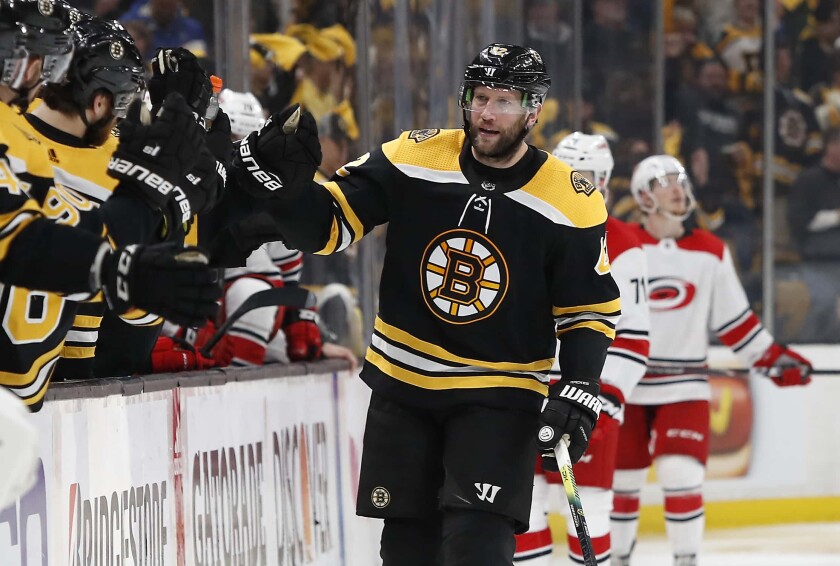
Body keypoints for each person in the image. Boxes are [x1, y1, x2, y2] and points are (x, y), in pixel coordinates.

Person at [230, 43, 621, 565]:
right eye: (479, 97)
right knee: (407, 551)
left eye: (503, 101)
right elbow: (329, 227)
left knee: (477, 549)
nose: (486, 113)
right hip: (404, 387)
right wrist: (288, 191)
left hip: (499, 395)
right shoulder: (414, 156)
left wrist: (581, 386)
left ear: (533, 109)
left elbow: (587, 309)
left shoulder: (569, 198)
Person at [0, 1, 220, 409]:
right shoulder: (24, 143)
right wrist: (160, 200)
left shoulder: (20, 134)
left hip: (39, 395)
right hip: (46, 387)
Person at [610, 155, 812, 566]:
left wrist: (774, 359)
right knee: (622, 480)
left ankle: (687, 560)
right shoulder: (621, 243)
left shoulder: (710, 250)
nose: (677, 189)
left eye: (680, 180)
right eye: (665, 182)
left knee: (680, 474)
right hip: (624, 383)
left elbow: (736, 324)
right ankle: (618, 560)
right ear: (643, 196)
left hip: (684, 386)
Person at [515, 132, 650, 565]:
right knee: (524, 508)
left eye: (589, 176)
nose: (579, 184)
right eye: (572, 173)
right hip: (527, 394)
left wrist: (604, 398)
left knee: (588, 510)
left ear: (607, 180)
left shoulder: (626, 243)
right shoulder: (527, 226)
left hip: (586, 397)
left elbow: (634, 336)